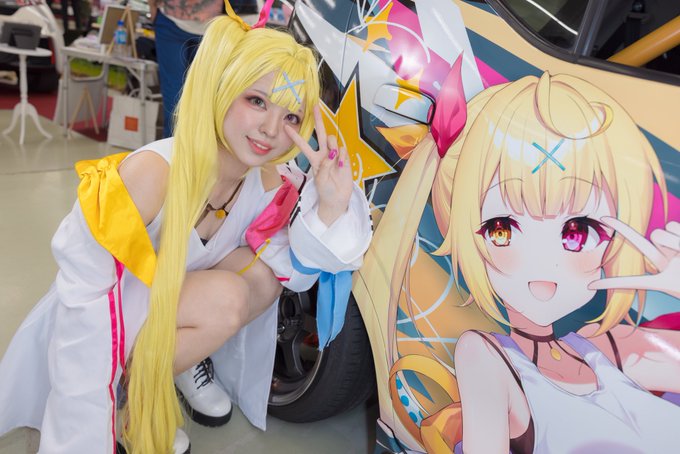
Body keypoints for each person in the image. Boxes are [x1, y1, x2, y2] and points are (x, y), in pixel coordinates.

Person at [0, 10, 372, 454]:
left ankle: (155, 378)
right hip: (92, 330)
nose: (272, 130)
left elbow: (295, 273)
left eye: (291, 116)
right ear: (223, 88)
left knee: (260, 280)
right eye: (257, 101)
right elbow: (85, 301)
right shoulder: (151, 174)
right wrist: (84, 428)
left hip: (164, 308)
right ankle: (124, 399)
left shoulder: (271, 183)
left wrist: (329, 204)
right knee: (226, 295)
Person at [436, 72, 680, 453]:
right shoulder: (486, 357)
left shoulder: (609, 347)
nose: (543, 275)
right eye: (502, 230)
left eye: (577, 232)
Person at [149, 0, 259, 137]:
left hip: (222, 24)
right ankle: (180, 148)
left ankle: (183, 147)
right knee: (185, 102)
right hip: (178, 20)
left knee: (208, 102)